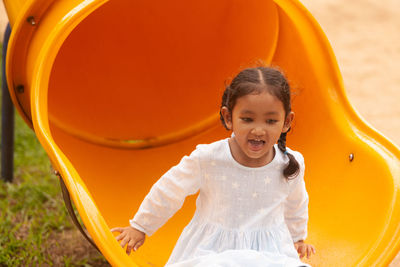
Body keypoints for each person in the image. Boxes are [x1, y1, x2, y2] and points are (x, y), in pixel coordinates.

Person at [111, 66, 316, 266]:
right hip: (213, 249)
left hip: (269, 249)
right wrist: (140, 227)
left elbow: (296, 203)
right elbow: (170, 190)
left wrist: (297, 238)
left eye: (271, 121)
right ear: (228, 118)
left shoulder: (290, 163)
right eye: (247, 119)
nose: (259, 130)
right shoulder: (209, 158)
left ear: (287, 122)